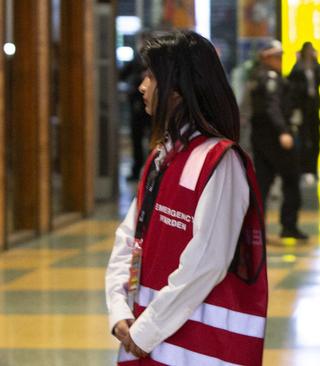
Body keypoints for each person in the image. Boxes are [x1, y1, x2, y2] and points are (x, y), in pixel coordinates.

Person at [105, 30, 268, 366]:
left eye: (151, 76)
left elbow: (206, 262)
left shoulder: (220, 162)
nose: (142, 87)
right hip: (147, 342)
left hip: (198, 351)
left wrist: (146, 330)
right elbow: (129, 238)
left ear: (178, 90)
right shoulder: (161, 157)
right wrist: (119, 309)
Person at [249, 40, 308, 240]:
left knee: (262, 184)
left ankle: (258, 230)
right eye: (277, 56)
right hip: (275, 139)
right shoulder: (271, 79)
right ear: (266, 58)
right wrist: (284, 131)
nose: (281, 60)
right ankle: (288, 225)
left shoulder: (258, 77)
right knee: (291, 180)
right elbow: (272, 107)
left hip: (261, 138)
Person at [287, 41, 320, 181]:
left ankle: (313, 168)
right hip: (302, 107)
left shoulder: (317, 67)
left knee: (315, 138)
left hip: (314, 106)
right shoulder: (298, 67)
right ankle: (303, 169)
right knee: (303, 138)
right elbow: (290, 82)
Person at [119, 51, 152, 181]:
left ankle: (149, 170)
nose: (143, 87)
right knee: (136, 140)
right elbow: (122, 75)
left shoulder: (156, 62)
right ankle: (138, 169)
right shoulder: (136, 61)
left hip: (148, 112)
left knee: (153, 140)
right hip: (137, 107)